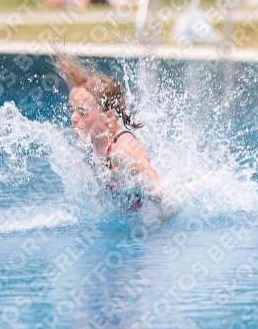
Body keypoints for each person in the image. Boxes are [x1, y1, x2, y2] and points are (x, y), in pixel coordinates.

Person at [50, 45, 177, 218]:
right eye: (72, 110)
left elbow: (168, 201)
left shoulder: (122, 151)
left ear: (109, 116)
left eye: (82, 112)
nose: (73, 118)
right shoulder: (95, 141)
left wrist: (157, 229)